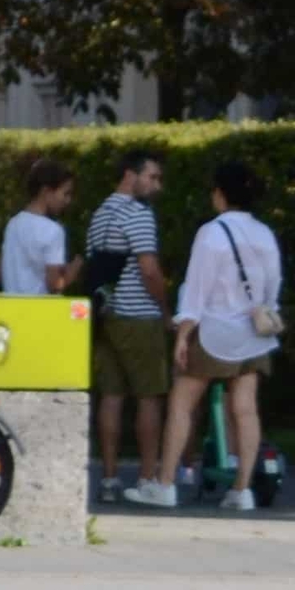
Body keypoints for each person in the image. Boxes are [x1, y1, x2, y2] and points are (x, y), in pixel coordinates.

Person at [139, 157, 283, 513]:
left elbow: (197, 292)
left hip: (215, 331)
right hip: (254, 333)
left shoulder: (212, 233)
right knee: (246, 409)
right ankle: (242, 489)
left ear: (220, 194)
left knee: (182, 403)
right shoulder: (265, 233)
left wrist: (183, 335)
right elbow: (272, 288)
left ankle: (166, 484)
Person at [84, 146, 171, 496]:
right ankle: (148, 478)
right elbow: (149, 270)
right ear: (130, 175)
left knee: (112, 396)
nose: (157, 186)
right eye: (152, 177)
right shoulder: (139, 214)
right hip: (139, 316)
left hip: (106, 315)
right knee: (149, 396)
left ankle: (108, 478)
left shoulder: (100, 213)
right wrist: (165, 311)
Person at [0, 154, 83, 298]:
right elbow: (55, 285)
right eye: (65, 193)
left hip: (11, 311)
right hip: (39, 312)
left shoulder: (13, 224)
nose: (68, 201)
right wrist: (72, 272)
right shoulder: (53, 230)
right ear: (46, 192)